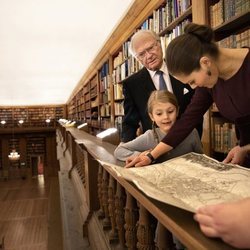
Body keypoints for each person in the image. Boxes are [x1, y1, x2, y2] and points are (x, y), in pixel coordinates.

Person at [125, 23, 250, 168]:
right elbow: (187, 120)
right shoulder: (209, 81)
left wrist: (246, 147)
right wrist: (151, 156)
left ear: (205, 62)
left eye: (192, 81)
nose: (193, 87)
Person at [121, 29, 203, 143]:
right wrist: (126, 147)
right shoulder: (131, 84)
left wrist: (196, 139)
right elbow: (130, 122)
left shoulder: (182, 67)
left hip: (188, 142)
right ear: (137, 59)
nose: (148, 56)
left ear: (159, 44)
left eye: (150, 48)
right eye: (141, 54)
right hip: (155, 148)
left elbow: (197, 108)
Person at [114, 90, 203, 163]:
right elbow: (119, 150)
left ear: (177, 111)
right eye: (159, 113)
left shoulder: (192, 133)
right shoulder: (150, 136)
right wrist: (140, 156)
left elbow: (201, 159)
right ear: (152, 116)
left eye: (170, 111)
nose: (166, 117)